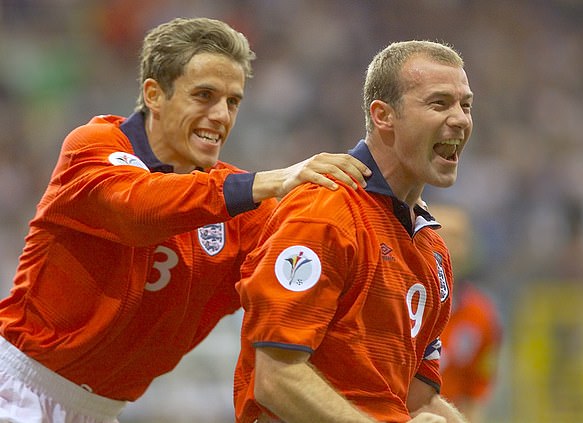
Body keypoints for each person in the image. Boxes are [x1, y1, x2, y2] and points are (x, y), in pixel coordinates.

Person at [0, 17, 371, 423]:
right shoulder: (93, 148)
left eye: (232, 102)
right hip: (17, 388)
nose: (221, 116)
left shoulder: (242, 211)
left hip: (101, 412)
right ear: (154, 94)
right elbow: (139, 210)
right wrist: (272, 180)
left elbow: (319, 260)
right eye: (204, 95)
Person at [234, 40, 474, 423]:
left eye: (466, 105)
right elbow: (276, 378)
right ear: (383, 116)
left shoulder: (433, 249)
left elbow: (414, 400)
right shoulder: (324, 212)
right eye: (439, 103)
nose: (461, 119)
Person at [431, 204, 502, 423]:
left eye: (461, 238)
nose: (454, 247)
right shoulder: (404, 301)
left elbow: (475, 395)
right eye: (445, 235)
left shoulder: (482, 315)